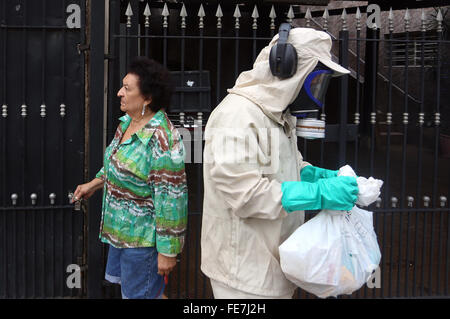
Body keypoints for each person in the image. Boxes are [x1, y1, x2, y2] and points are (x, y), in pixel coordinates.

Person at [201, 26, 359, 299]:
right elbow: (246, 195)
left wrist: (315, 176)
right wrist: (320, 194)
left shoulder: (278, 115)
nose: (317, 93)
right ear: (286, 69)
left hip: (273, 262)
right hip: (243, 273)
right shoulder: (237, 115)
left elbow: (287, 166)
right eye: (316, 80)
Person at [72, 57, 188, 299]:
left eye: (127, 88)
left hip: (142, 242)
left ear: (147, 98)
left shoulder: (163, 140)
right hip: (123, 233)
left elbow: (172, 201)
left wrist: (168, 252)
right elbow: (117, 164)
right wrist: (93, 184)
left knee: (141, 295)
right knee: (147, 293)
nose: (119, 93)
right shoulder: (127, 123)